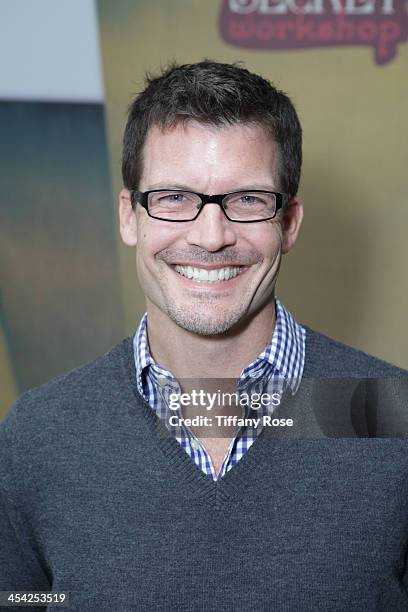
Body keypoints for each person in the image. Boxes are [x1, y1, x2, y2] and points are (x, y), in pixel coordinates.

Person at [1, 61, 407, 611]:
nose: (211, 237)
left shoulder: (391, 418)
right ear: (129, 217)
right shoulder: (39, 436)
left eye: (247, 200)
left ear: (288, 223)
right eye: (173, 198)